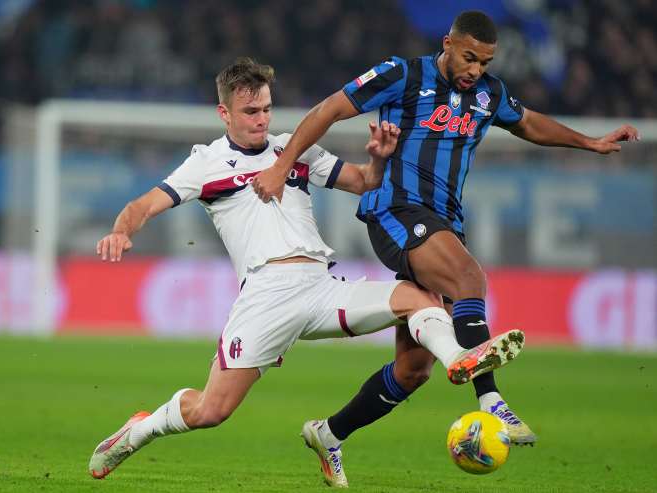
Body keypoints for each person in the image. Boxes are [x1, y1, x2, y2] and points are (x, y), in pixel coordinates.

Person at [87, 57, 525, 483]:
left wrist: (377, 160)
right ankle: (139, 429)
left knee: (419, 300)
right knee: (211, 411)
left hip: (320, 287)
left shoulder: (291, 148)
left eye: (266, 108)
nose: (261, 119)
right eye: (250, 111)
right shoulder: (207, 163)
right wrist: (122, 230)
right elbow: (142, 205)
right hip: (265, 297)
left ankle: (458, 360)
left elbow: (361, 182)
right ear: (224, 113)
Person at [252, 10, 639, 487]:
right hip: (394, 210)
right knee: (469, 280)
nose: (476, 69)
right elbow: (330, 109)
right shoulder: (402, 74)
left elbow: (530, 124)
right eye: (470, 57)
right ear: (448, 43)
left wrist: (591, 143)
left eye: (486, 61)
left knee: (413, 370)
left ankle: (329, 433)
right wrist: (281, 165)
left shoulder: (488, 94)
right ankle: (491, 401)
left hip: (443, 225)